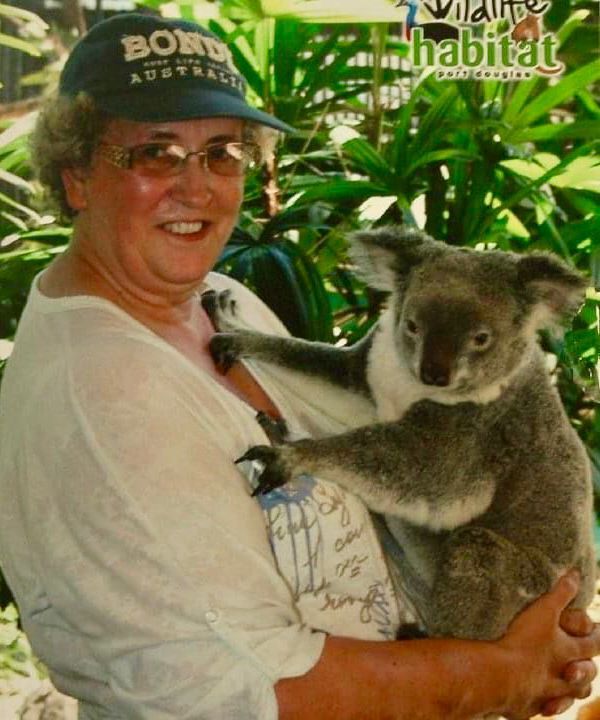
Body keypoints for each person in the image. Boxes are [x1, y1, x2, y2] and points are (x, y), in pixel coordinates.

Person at [0, 12, 597, 720]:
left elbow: (378, 460)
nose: (198, 187)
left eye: (222, 152)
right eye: (156, 154)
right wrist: (500, 674)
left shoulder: (221, 300)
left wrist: (530, 647)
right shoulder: (99, 399)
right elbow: (251, 692)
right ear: (76, 177)